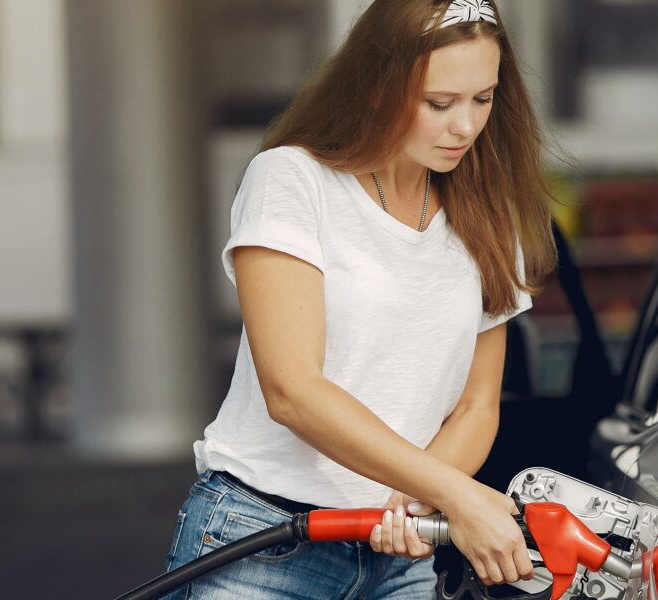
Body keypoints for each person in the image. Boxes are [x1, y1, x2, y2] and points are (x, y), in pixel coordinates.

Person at [162, 0, 557, 597]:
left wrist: (422, 496)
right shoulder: (294, 180)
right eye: (440, 103)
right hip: (263, 538)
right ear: (376, 86)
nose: (466, 127)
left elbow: (477, 407)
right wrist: (456, 494)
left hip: (403, 553)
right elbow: (292, 390)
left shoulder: (487, 214)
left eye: (484, 99)